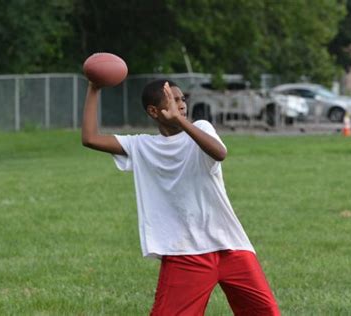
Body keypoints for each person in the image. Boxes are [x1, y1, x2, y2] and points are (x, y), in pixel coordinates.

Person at [81, 79, 280, 315]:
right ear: (154, 111)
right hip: (184, 254)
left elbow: (220, 153)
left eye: (182, 99)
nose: (181, 105)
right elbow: (90, 138)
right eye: (172, 100)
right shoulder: (142, 146)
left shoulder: (201, 129)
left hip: (231, 246)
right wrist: (94, 88)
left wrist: (181, 122)